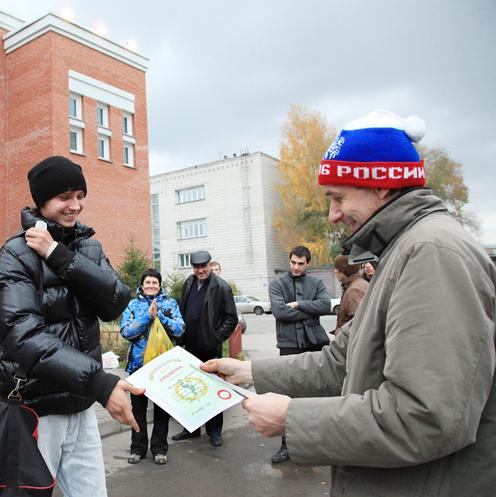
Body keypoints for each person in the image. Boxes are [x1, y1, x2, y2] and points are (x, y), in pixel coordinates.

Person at [202, 110, 496, 496]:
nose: (333, 214)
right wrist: (249, 373)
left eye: (339, 197)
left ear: (382, 187)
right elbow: (341, 361)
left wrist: (292, 419)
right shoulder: (404, 251)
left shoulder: (431, 254)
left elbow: (425, 417)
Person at [0, 156, 141, 497]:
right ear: (42, 202)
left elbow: (116, 301)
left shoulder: (88, 246)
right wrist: (100, 382)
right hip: (36, 409)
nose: (75, 206)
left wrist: (59, 255)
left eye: (80, 195)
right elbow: (23, 336)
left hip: (82, 402)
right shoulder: (15, 253)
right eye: (64, 197)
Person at [267, 244, 330, 463]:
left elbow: (325, 305)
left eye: (300, 264)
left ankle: (313, 444)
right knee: (288, 395)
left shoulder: (317, 283)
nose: (295, 267)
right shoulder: (277, 284)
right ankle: (287, 446)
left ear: (307, 264)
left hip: (314, 343)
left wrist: (298, 304)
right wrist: (308, 311)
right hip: (289, 345)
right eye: (293, 262)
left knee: (314, 394)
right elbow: (279, 311)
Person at [171, 250, 238, 446]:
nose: (201, 270)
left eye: (204, 266)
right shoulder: (189, 283)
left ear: (210, 265)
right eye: (197, 267)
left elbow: (230, 318)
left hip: (209, 348)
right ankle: (190, 428)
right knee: (189, 388)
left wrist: (215, 338)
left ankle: (214, 431)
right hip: (189, 345)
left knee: (212, 389)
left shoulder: (221, 287)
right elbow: (183, 309)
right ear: (193, 268)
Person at [120, 268, 184, 465]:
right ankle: (138, 448)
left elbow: (180, 329)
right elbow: (126, 331)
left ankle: (159, 448)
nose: (151, 286)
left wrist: (160, 317)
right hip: (138, 367)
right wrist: (147, 316)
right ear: (142, 285)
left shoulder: (170, 303)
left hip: (163, 365)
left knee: (162, 410)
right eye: (147, 282)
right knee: (137, 410)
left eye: (154, 283)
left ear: (159, 285)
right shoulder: (132, 305)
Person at [332, 255, 368, 333]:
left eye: (336, 270)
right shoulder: (360, 283)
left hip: (353, 341)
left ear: (343, 271)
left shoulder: (354, 290)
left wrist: (340, 333)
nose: (335, 272)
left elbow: (360, 322)